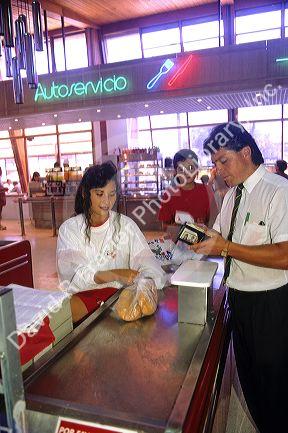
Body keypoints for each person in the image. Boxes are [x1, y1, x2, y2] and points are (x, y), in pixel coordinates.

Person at [190, 122, 288, 433]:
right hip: (239, 301)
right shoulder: (232, 195)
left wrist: (226, 246)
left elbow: (285, 254)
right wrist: (206, 238)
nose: (217, 170)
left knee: (276, 389)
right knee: (251, 385)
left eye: (223, 161)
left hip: (271, 307)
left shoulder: (278, 192)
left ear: (245, 153)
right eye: (214, 163)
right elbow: (222, 241)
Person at [57, 162, 166, 323]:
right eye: (99, 194)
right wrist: (114, 274)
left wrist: (145, 281)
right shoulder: (69, 230)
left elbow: (148, 263)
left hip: (120, 300)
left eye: (112, 194)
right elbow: (73, 278)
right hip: (83, 303)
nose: (106, 202)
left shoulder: (126, 226)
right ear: (85, 194)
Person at [158, 149, 218, 231]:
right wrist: (177, 227)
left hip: (203, 240)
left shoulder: (207, 191)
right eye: (181, 169)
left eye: (190, 167)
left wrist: (203, 228)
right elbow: (164, 226)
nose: (186, 172)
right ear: (175, 172)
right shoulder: (169, 194)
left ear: (197, 170)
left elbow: (215, 221)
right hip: (176, 242)